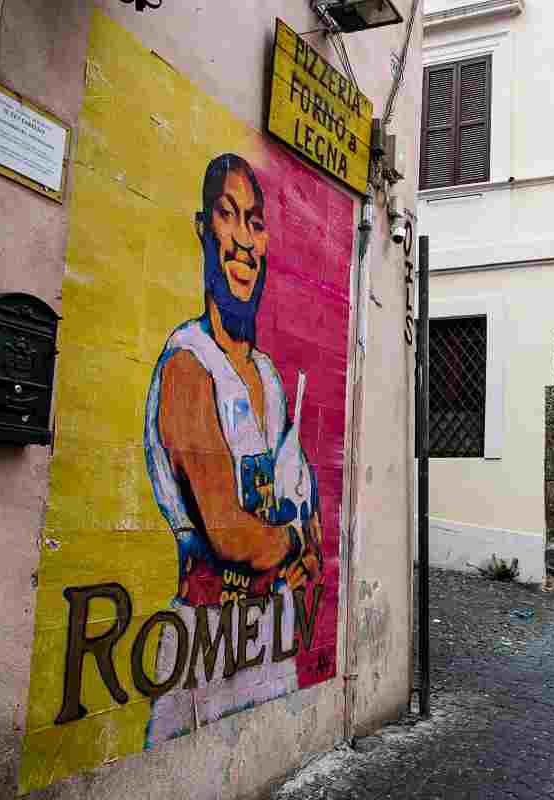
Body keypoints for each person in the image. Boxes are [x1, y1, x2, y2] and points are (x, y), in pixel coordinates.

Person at [143, 153, 323, 744]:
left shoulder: (270, 378)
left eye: (255, 220)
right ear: (204, 228)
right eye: (228, 215)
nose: (244, 239)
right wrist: (293, 540)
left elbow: (303, 504)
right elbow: (227, 531)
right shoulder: (188, 368)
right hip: (202, 645)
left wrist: (302, 540)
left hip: (268, 640)